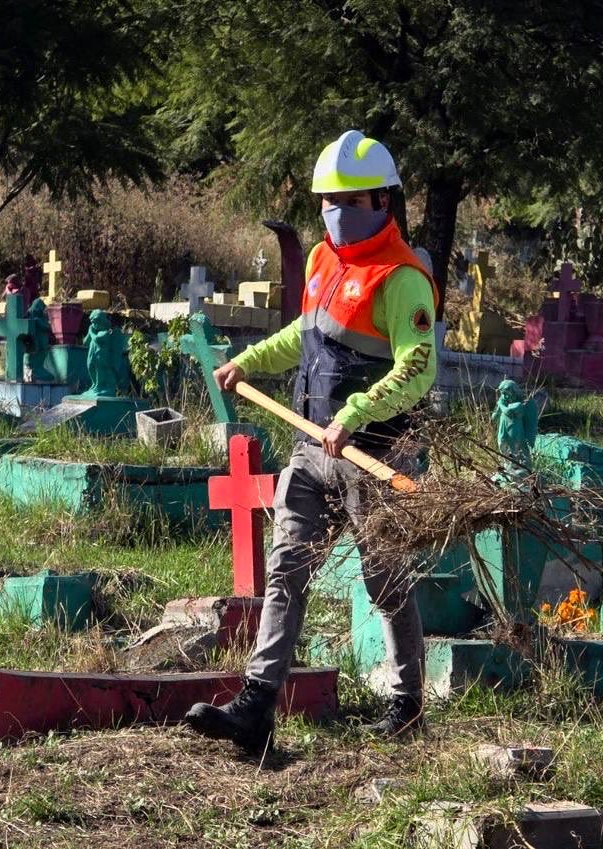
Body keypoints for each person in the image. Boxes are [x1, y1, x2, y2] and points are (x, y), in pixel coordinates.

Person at [185, 130, 438, 753]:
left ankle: (406, 704)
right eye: (328, 200)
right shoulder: (326, 261)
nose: (336, 212)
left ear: (383, 202)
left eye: (349, 201)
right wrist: (250, 360)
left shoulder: (403, 278)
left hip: (374, 454)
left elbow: (419, 367)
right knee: (286, 570)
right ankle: (256, 705)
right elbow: (308, 333)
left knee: (384, 579)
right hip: (311, 447)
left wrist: (357, 412)